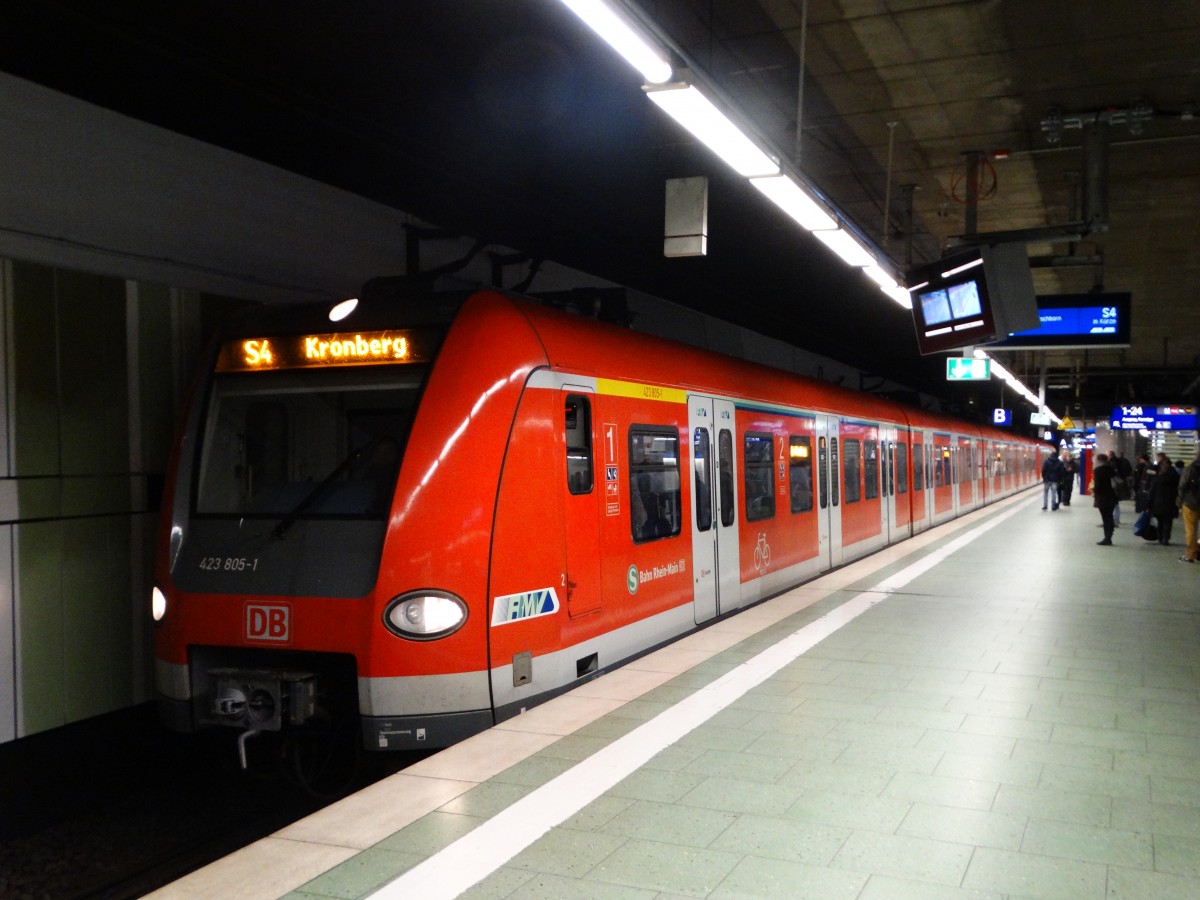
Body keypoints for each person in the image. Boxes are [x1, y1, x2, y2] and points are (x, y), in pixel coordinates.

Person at [1147, 452, 1179, 546]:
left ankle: (1160, 537)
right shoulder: (1175, 476)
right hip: (1170, 501)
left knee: (1160, 520)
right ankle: (1166, 538)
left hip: (1158, 502)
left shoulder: (1157, 478)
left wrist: (1149, 504)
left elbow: (1152, 492)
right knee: (1168, 521)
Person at [1178, 450, 1200, 563]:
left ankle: (1190, 554)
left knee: (1191, 530)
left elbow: (1182, 485)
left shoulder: (1191, 468)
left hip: (1191, 502)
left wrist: (1179, 502)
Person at [1091, 452, 1117, 545]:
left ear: (1099, 460)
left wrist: (1094, 491)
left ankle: (1107, 538)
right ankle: (1109, 536)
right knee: (1109, 517)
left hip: (1102, 497)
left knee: (1105, 518)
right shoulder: (1111, 469)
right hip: (1112, 496)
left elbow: (1098, 485)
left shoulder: (1098, 470)